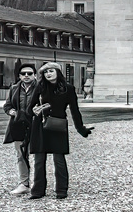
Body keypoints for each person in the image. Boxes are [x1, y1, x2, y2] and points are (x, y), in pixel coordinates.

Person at [28, 62, 92, 200]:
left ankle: (61, 190)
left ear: (58, 72)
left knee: (59, 160)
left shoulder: (68, 89)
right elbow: (30, 108)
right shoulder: (40, 87)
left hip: (58, 125)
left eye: (51, 71)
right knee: (39, 160)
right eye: (45, 72)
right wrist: (35, 110)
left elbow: (75, 111)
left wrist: (81, 129)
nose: (48, 74)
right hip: (40, 125)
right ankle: (38, 190)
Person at [3, 63, 39, 196]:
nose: (26, 76)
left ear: (34, 75)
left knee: (38, 154)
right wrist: (11, 111)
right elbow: (7, 105)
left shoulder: (40, 88)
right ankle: (24, 183)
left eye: (29, 73)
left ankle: (38, 183)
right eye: (23, 74)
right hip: (18, 125)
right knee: (21, 155)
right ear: (19, 76)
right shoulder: (14, 88)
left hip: (35, 125)